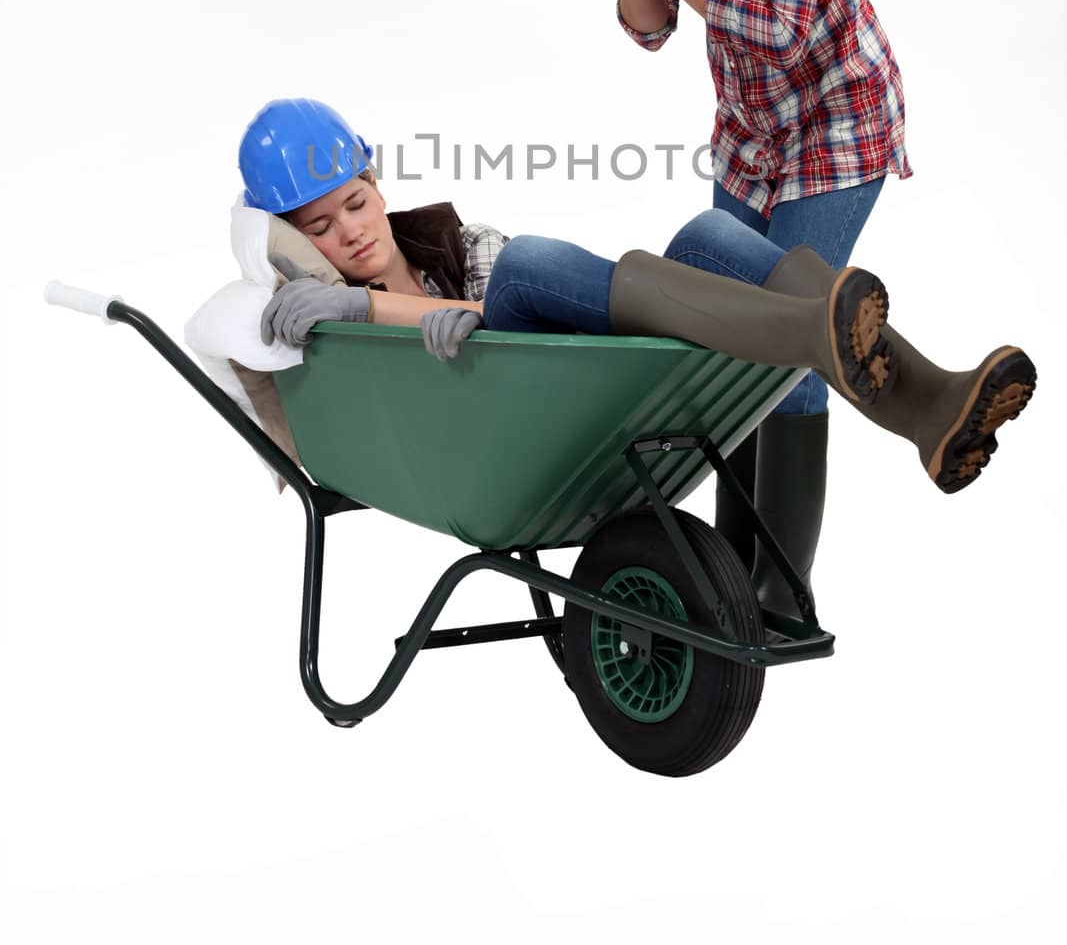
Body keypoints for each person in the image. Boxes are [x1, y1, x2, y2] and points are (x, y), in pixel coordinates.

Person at [241, 100, 1035, 615]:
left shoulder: (458, 244)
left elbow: (496, 314)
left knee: (713, 237)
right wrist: (364, 307)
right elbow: (490, 335)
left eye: (355, 201)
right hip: (527, 424)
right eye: (316, 227)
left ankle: (928, 401)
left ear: (377, 187)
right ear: (293, 242)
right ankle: (816, 340)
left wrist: (402, 304)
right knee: (528, 266)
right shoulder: (329, 317)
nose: (348, 230)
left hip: (592, 383)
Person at [571, 0, 913, 610]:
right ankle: (728, 570)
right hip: (752, 137)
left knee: (790, 334)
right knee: (731, 341)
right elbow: (649, 30)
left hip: (839, 121)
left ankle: (780, 592)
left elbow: (784, 34)